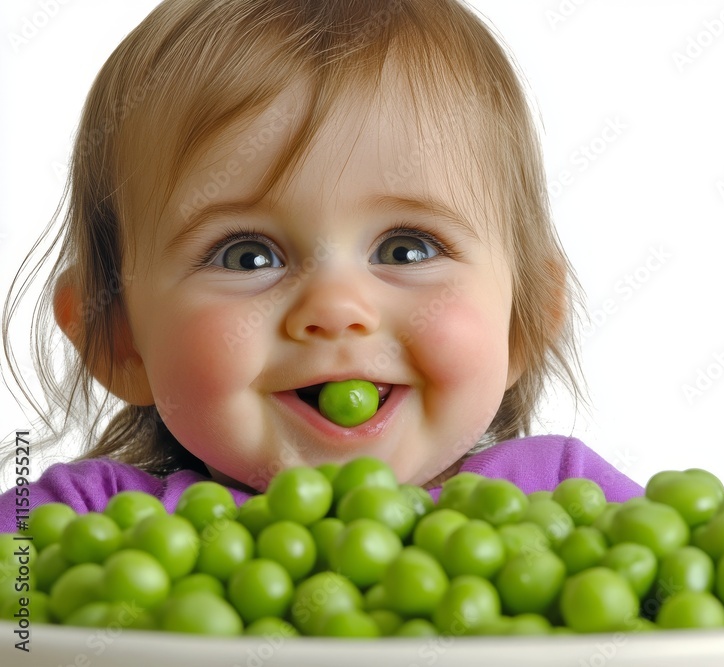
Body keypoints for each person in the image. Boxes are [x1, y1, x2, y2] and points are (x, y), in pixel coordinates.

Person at [0, 0, 641, 531]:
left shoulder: (571, 506)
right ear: (117, 339)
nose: (335, 308)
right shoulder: (77, 525)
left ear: (524, 320)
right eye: (247, 256)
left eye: (407, 249)